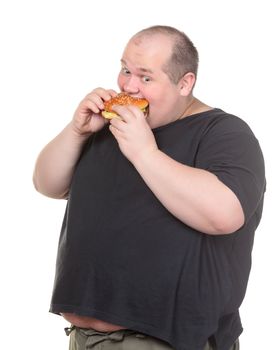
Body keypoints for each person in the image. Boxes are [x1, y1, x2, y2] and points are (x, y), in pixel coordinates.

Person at [33, 25, 265, 350]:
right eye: (125, 70)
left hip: (164, 341)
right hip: (84, 338)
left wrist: (145, 153)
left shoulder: (225, 133)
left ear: (185, 83)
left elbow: (224, 213)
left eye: (145, 77)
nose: (128, 86)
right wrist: (77, 131)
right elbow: (47, 183)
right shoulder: (112, 126)